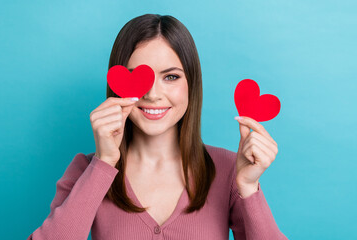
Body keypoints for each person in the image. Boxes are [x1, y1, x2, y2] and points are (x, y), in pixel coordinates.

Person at [27, 14, 288, 240]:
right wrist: (104, 163)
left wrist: (248, 187)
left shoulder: (229, 170)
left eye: (171, 77)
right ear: (118, 83)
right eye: (141, 76)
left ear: (191, 85)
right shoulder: (87, 169)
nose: (153, 94)